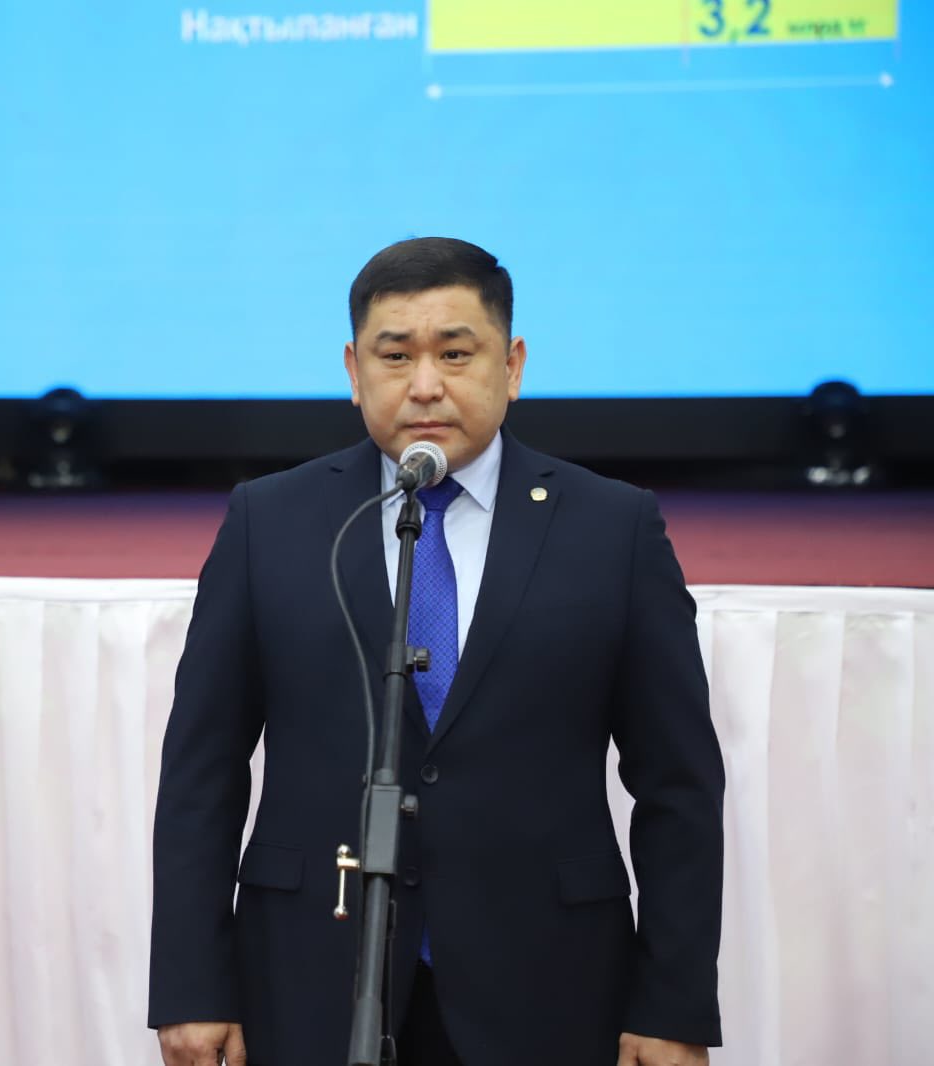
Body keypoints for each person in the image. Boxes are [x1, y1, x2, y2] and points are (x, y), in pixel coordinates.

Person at [149, 237, 724, 1066]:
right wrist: (192, 986)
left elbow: (679, 786)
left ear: (511, 365)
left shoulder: (613, 528)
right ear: (354, 371)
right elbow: (200, 772)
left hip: (548, 988)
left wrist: (673, 1004)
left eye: (456, 353)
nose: (425, 385)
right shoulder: (268, 521)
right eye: (395, 356)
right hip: (312, 978)